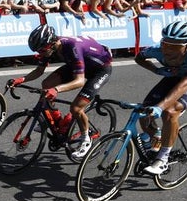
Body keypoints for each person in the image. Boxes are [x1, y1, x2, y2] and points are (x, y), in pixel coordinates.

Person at [9, 25, 113, 160]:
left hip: (100, 70)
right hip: (79, 64)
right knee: (46, 84)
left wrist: (56, 89)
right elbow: (39, 71)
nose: (41, 53)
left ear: (52, 42)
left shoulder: (72, 47)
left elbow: (79, 81)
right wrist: (21, 80)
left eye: (42, 50)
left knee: (76, 108)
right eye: (38, 50)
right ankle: (58, 122)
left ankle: (85, 139)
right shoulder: (49, 47)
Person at [133, 21, 187, 175]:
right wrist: (157, 70)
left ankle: (163, 160)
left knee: (170, 112)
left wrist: (160, 107)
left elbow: (186, 83)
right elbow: (138, 58)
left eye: (175, 46)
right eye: (166, 44)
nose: (168, 50)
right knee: (144, 111)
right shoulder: (156, 50)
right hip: (175, 75)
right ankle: (156, 136)